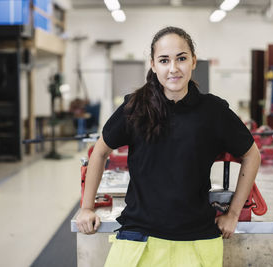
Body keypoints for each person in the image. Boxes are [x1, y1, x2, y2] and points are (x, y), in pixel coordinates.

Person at [76, 26, 261, 267]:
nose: (173, 68)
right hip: (138, 238)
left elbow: (251, 155)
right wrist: (87, 207)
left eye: (181, 58)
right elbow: (100, 152)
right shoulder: (136, 108)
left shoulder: (214, 112)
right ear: (153, 65)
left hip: (197, 241)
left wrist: (234, 213)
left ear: (193, 61)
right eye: (164, 60)